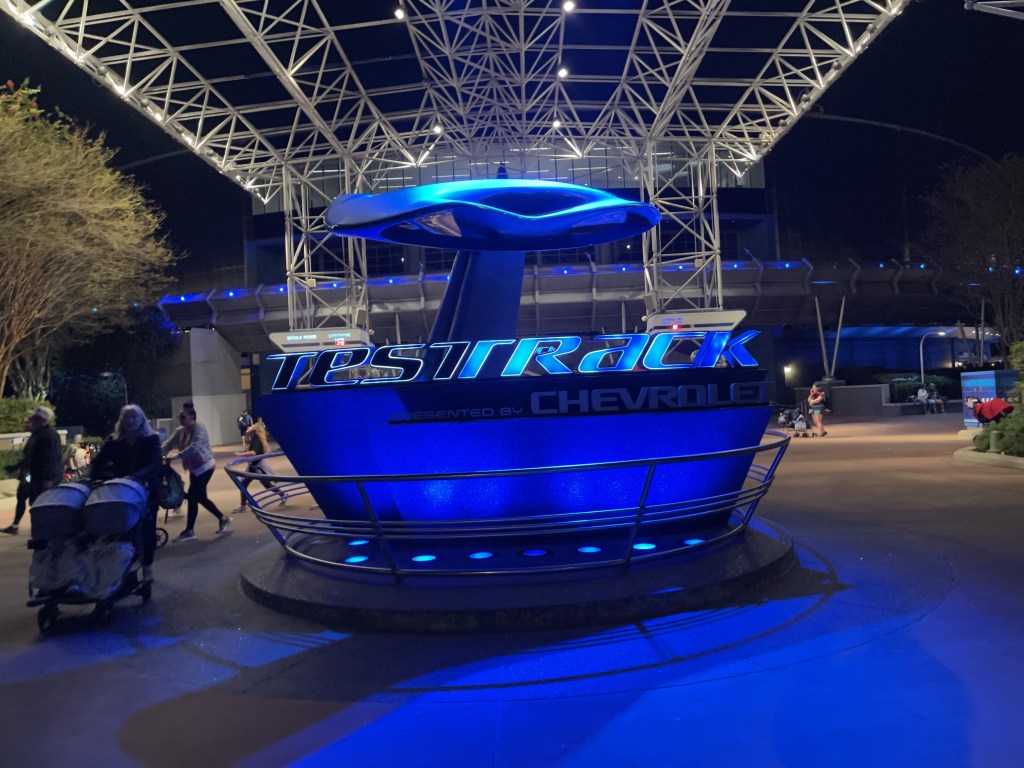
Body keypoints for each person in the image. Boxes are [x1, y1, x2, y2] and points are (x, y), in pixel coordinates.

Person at [88, 404, 162, 582]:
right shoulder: (113, 442)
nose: (130, 420)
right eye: (126, 416)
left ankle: (148, 569)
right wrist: (95, 477)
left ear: (141, 420)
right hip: (121, 491)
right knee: (120, 528)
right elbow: (98, 462)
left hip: (145, 490)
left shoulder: (151, 439)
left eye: (134, 416)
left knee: (147, 530)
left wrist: (135, 477)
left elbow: (155, 464)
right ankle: (121, 566)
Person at [161, 401, 230, 541]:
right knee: (200, 497)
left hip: (205, 467)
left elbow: (194, 447)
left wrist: (176, 456)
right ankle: (223, 519)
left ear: (192, 417)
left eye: (183, 417)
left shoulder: (199, 428)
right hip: (195, 469)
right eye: (180, 417)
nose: (180, 420)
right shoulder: (180, 431)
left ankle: (190, 531)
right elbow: (168, 444)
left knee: (193, 497)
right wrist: (157, 453)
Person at [1, 407, 63, 535]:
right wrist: (18, 467)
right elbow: (30, 456)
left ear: (43, 420)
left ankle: (43, 530)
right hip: (31, 475)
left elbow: (49, 460)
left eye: (34, 418)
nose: (30, 420)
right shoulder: (37, 434)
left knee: (39, 502)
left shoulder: (49, 435)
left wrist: (45, 480)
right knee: (23, 494)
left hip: (44, 477)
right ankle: (16, 525)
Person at [232, 420, 286, 513]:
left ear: (255, 430)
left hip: (259, 467)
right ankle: (243, 505)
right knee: (246, 484)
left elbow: (254, 452)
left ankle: (283, 495)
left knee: (265, 485)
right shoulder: (253, 439)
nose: (248, 427)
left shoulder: (257, 440)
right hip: (254, 466)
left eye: (251, 426)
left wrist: (240, 455)